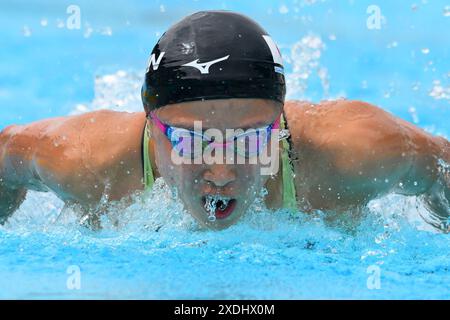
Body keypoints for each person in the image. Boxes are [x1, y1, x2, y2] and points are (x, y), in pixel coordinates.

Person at [0, 11, 448, 231]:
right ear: (150, 119)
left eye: (250, 138)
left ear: (281, 119)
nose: (220, 172)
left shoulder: (359, 152)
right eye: (193, 141)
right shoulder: (83, 160)